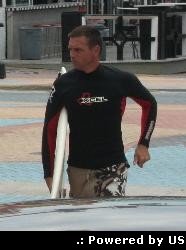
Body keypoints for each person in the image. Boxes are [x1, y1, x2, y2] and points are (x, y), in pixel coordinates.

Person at [42, 24, 157, 197]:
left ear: (95, 50)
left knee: (108, 218)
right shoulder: (63, 84)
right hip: (78, 168)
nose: (72, 54)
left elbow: (150, 104)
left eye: (78, 50)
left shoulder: (120, 79)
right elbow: (49, 130)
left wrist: (143, 144)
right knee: (82, 221)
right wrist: (50, 175)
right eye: (70, 49)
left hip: (112, 168)